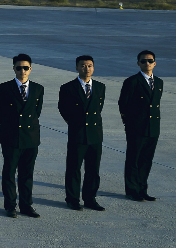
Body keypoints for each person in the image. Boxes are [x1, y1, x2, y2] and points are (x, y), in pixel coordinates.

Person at [0, 54, 44, 218]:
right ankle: (10, 206)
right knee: (9, 173)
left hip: (30, 138)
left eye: (26, 68)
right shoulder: (4, 88)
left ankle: (26, 205)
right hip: (11, 137)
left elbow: (37, 111)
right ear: (13, 68)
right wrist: (8, 129)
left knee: (27, 173)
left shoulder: (38, 88)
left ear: (31, 69)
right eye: (19, 67)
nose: (22, 71)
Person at [57, 55, 106, 211]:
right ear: (77, 67)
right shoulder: (68, 88)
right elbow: (63, 108)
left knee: (93, 169)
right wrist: (74, 122)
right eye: (83, 66)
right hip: (77, 134)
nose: (87, 68)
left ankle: (90, 199)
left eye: (90, 65)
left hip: (95, 135)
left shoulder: (100, 87)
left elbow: (98, 108)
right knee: (73, 168)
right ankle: (72, 199)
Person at [117, 50, 162, 202]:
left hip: (153, 128)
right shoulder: (132, 81)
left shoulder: (159, 82)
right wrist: (129, 124)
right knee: (133, 159)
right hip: (136, 128)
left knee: (146, 160)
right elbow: (123, 104)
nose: (147, 63)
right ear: (138, 63)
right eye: (143, 61)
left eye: (150, 61)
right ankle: (132, 190)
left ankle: (143, 189)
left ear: (155, 63)